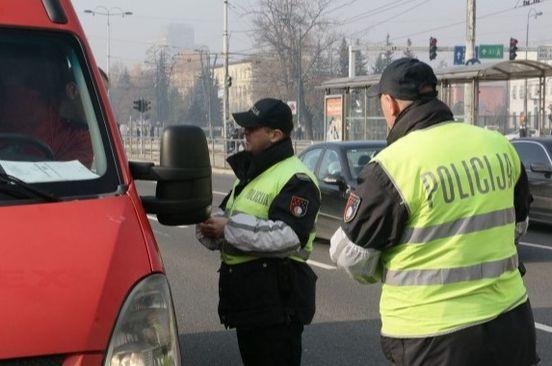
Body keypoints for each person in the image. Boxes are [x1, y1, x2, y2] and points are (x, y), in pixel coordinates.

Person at [329, 58, 538, 366]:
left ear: (391, 104)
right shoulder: (499, 146)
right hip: (511, 324)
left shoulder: (392, 166)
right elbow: (518, 226)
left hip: (433, 337)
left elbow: (348, 255)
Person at [197, 98, 321, 366]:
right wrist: (210, 226)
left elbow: (288, 236)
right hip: (252, 303)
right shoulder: (254, 173)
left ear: (275, 135)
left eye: (253, 129)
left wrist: (228, 228)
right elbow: (228, 216)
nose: (245, 133)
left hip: (277, 307)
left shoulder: (296, 178)